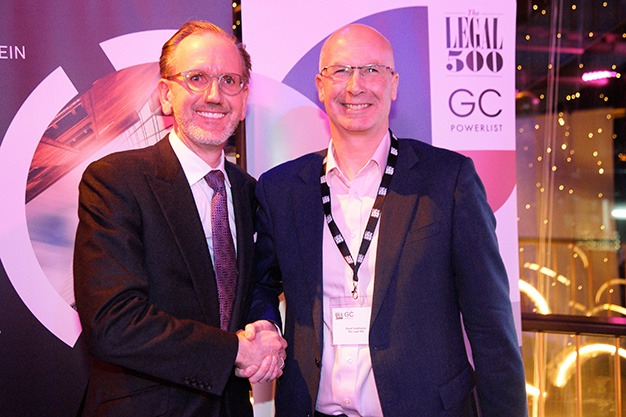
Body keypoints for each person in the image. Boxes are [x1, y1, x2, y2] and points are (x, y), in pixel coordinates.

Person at [250, 24, 528, 416]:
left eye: (371, 70)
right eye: (341, 71)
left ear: (394, 84)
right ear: (320, 85)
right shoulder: (280, 188)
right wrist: (265, 324)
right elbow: (259, 284)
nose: (356, 86)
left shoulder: (448, 179)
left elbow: (490, 323)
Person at [73, 21, 286, 417]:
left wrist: (264, 326)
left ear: (244, 100)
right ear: (166, 95)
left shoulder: (249, 192)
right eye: (196, 78)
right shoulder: (115, 181)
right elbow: (113, 323)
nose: (214, 95)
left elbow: (256, 287)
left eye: (229, 81)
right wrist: (235, 351)